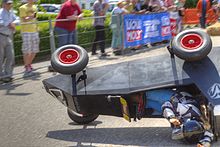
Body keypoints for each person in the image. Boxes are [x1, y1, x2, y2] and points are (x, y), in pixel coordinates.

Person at [19, 0, 39, 77]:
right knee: (27, 50)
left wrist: (37, 28)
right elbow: (24, 19)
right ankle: (28, 66)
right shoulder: (22, 7)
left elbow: (35, 19)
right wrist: (32, 16)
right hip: (26, 31)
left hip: (34, 31)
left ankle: (28, 64)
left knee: (35, 49)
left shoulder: (35, 7)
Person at [0, 0, 17, 83]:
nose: (10, 5)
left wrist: (13, 23)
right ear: (3, 4)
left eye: (10, 3)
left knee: (10, 56)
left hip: (8, 36)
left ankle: (7, 75)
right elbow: (0, 22)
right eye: (8, 3)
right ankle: (1, 76)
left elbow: (18, 20)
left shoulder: (11, 12)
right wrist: (9, 24)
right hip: (1, 35)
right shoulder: (0, 12)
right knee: (0, 57)